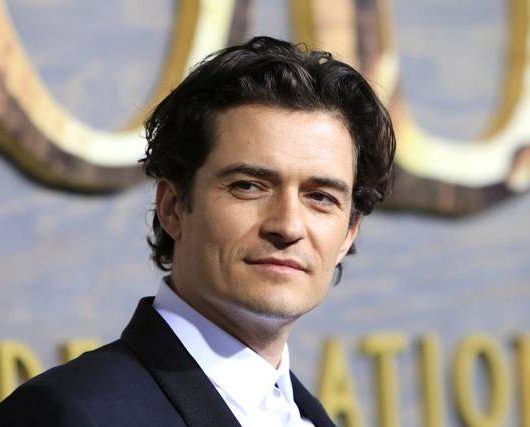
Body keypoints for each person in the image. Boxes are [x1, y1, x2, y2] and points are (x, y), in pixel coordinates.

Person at [0, 36, 395, 426]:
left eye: (321, 197)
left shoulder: (306, 418)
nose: (288, 226)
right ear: (173, 207)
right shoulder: (68, 413)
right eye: (248, 186)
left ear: (349, 232)